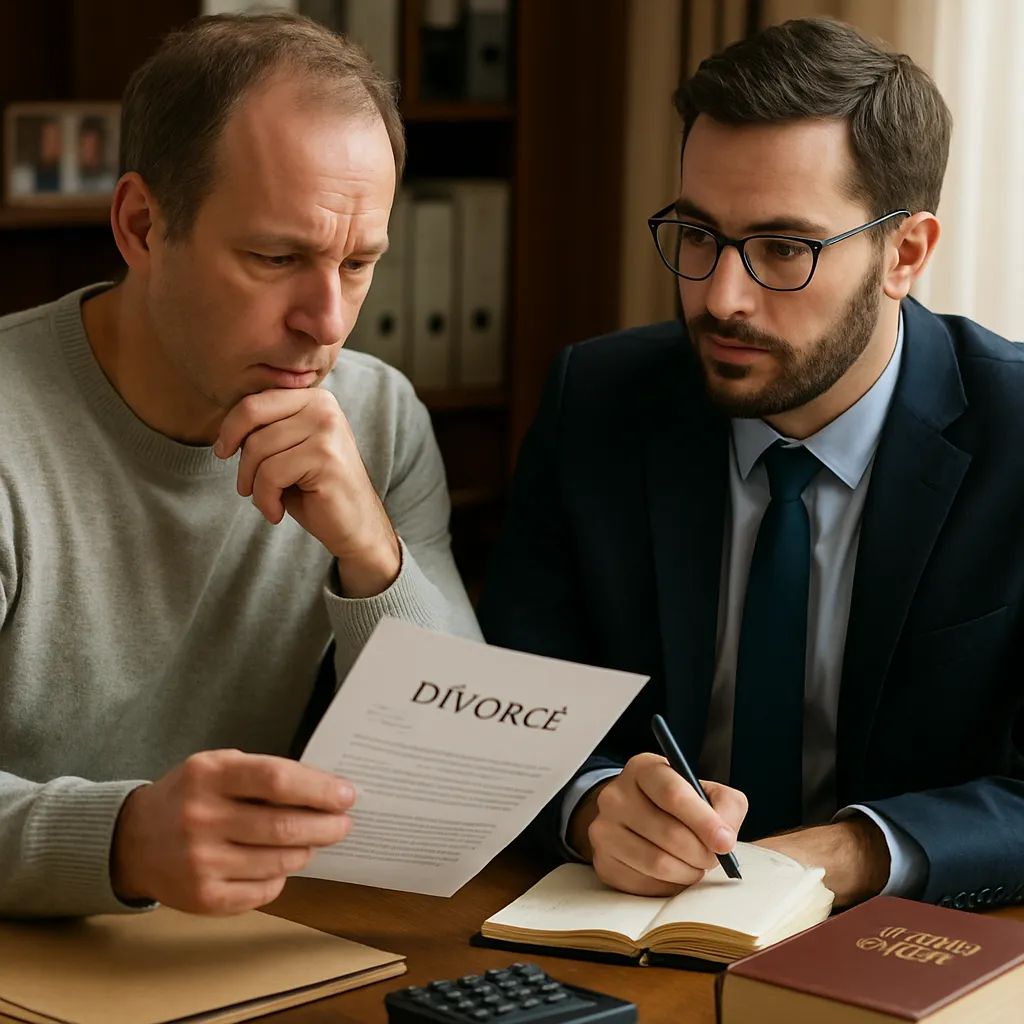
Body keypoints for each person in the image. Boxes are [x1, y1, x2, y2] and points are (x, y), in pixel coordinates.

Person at [479, 17, 1024, 913]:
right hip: (626, 930)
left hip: (904, 944)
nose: (720, 297)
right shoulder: (601, 403)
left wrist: (849, 852)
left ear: (907, 253)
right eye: (698, 235)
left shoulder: (1014, 437)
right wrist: (592, 805)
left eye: (783, 250)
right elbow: (514, 697)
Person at [0, 13, 480, 919]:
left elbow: (458, 779)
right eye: (277, 257)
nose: (328, 320)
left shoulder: (377, 418)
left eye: (359, 262)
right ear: (142, 225)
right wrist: (123, 838)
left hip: (229, 955)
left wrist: (371, 553)